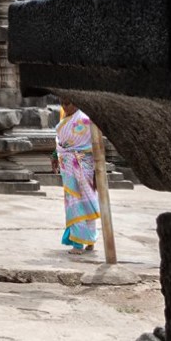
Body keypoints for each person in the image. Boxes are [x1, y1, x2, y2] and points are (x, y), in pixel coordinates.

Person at [53, 104, 100, 253]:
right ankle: (87, 240)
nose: (66, 107)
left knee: (84, 201)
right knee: (76, 201)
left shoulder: (85, 119)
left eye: (68, 103)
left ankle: (80, 245)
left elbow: (94, 143)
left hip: (84, 165)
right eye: (63, 103)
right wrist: (55, 155)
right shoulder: (65, 118)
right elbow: (61, 144)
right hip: (69, 166)